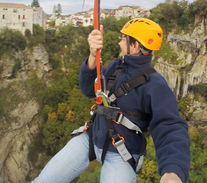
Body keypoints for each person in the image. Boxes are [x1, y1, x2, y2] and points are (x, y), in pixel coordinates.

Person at [33, 18, 190, 183]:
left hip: (122, 153)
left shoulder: (155, 84)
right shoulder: (117, 67)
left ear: (135, 45)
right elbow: (89, 90)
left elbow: (170, 126)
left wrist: (173, 170)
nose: (119, 41)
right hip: (92, 136)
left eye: (123, 38)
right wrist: (93, 57)